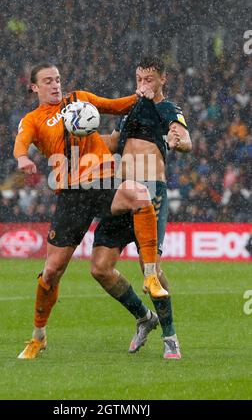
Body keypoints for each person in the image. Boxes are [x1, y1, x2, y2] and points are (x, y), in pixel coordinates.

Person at [14, 62, 167, 359]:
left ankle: (150, 274)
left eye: (58, 79)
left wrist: (140, 95)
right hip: (72, 195)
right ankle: (38, 336)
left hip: (104, 181)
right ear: (34, 86)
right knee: (51, 272)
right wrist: (22, 158)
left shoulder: (80, 98)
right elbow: (20, 143)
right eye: (47, 81)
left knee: (138, 194)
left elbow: (116, 106)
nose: (55, 85)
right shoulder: (32, 120)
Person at [92, 56, 192, 359]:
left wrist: (179, 141)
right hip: (122, 195)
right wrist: (77, 138)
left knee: (150, 269)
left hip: (151, 195)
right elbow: (112, 143)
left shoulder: (167, 109)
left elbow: (184, 138)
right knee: (100, 269)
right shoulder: (130, 109)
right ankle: (144, 317)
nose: (142, 85)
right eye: (139, 79)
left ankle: (170, 334)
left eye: (148, 79)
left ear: (163, 80)